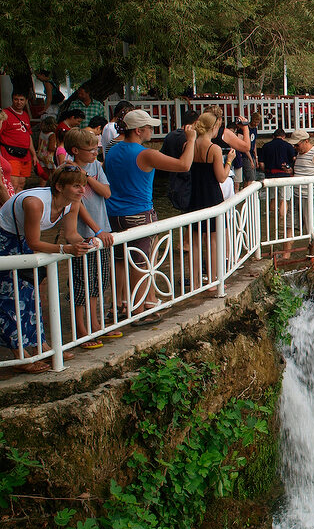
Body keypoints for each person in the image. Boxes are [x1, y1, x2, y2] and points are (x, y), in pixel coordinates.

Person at [0, 166, 113, 373]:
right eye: (76, 185)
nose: (82, 190)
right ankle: (20, 355)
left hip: (21, 239)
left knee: (32, 295)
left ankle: (42, 347)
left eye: (83, 185)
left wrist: (86, 243)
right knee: (11, 298)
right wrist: (65, 249)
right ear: (60, 187)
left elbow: (71, 234)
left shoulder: (72, 202)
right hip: (5, 240)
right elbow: (35, 242)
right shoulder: (34, 203)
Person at [104, 109, 196, 320]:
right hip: (138, 213)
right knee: (140, 262)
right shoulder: (145, 154)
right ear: (138, 130)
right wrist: (190, 140)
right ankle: (139, 310)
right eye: (149, 128)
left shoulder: (113, 150)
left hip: (114, 213)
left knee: (120, 260)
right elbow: (184, 165)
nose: (152, 132)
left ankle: (121, 304)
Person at [64, 128, 119, 347]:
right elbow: (78, 206)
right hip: (82, 233)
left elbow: (106, 193)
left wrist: (86, 176)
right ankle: (81, 329)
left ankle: (95, 323)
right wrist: (96, 230)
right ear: (76, 150)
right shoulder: (67, 171)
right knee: (81, 282)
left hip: (101, 230)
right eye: (90, 150)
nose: (95, 153)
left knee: (98, 280)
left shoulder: (95, 167)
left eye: (96, 149)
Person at [185, 112, 234, 291]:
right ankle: (212, 280)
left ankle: (195, 282)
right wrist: (229, 161)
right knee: (213, 240)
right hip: (211, 196)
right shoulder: (213, 148)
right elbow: (221, 177)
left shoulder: (188, 144)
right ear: (213, 127)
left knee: (196, 241)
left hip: (194, 196)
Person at [257, 128, 298, 260]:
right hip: (284, 176)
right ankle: (282, 218)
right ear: (283, 136)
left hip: (270, 176)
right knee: (284, 200)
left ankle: (273, 217)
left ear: (274, 136)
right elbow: (294, 160)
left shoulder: (266, 146)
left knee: (273, 198)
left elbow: (261, 165)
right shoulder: (288, 146)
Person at [162, 109, 201, 212]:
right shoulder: (191, 139)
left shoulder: (170, 136)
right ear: (196, 122)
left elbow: (163, 155)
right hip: (187, 180)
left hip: (172, 180)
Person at [1, 92, 34, 192]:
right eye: (16, 99)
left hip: (25, 155)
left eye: (21, 100)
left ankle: (16, 206)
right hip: (10, 153)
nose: (18, 102)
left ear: (26, 101)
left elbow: (28, 136)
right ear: (12, 100)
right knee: (13, 184)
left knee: (21, 183)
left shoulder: (25, 115)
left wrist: (34, 154)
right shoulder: (4, 114)